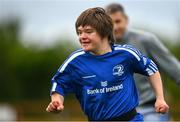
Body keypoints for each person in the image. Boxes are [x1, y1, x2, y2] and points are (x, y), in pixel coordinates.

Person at [46, 7, 169, 121]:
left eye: (88, 32)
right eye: (79, 32)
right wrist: (57, 101)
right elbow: (59, 82)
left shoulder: (126, 54)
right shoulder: (75, 61)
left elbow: (151, 68)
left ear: (104, 33)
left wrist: (160, 98)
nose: (82, 36)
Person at [105, 3, 180, 121]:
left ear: (126, 20)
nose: (114, 27)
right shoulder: (102, 49)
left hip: (151, 109)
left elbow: (175, 70)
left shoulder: (146, 40)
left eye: (118, 21)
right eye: (110, 23)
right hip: (120, 113)